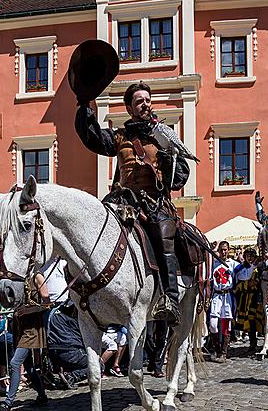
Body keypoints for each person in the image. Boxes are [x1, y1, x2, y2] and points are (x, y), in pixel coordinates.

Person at [75, 81, 191, 326]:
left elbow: (182, 174)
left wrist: (169, 158)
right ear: (129, 108)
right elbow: (93, 136)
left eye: (148, 100)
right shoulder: (120, 137)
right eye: (139, 101)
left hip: (154, 203)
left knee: (162, 236)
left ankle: (170, 298)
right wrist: (84, 105)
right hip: (123, 201)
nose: (146, 104)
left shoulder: (164, 134)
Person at [0, 273, 49, 411]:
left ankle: (8, 403)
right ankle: (42, 396)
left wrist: (29, 310)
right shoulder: (19, 276)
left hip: (32, 326)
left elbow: (48, 304)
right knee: (29, 366)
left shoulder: (37, 277)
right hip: (20, 324)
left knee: (15, 362)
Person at [208, 241, 238, 363]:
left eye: (225, 250)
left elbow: (244, 273)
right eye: (221, 250)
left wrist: (249, 264)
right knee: (213, 325)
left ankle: (223, 352)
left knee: (226, 325)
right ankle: (216, 349)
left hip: (227, 297)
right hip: (216, 296)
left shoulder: (233, 264)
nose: (224, 252)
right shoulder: (213, 264)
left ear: (229, 250)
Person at [234, 248, 263, 354]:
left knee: (256, 320)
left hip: (256, 298)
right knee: (248, 320)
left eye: (252, 255)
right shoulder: (240, 268)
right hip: (244, 299)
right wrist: (246, 284)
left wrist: (257, 282)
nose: (250, 258)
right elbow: (238, 284)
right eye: (248, 256)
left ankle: (257, 341)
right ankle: (252, 342)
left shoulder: (259, 268)